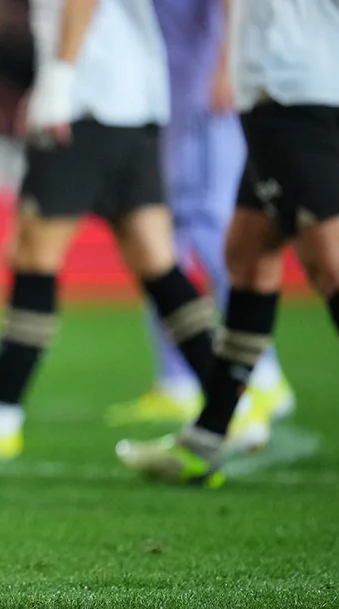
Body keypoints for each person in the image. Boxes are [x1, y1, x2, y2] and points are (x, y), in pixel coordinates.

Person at [0, 0, 215, 459]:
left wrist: (58, 83)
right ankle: (232, 400)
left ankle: (0, 420)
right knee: (157, 262)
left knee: (34, 256)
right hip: (136, 105)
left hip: (86, 104)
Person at [118, 0, 339, 486]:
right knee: (248, 255)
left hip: (302, 93)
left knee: (329, 263)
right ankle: (209, 437)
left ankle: (219, 427)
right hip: (269, 96)